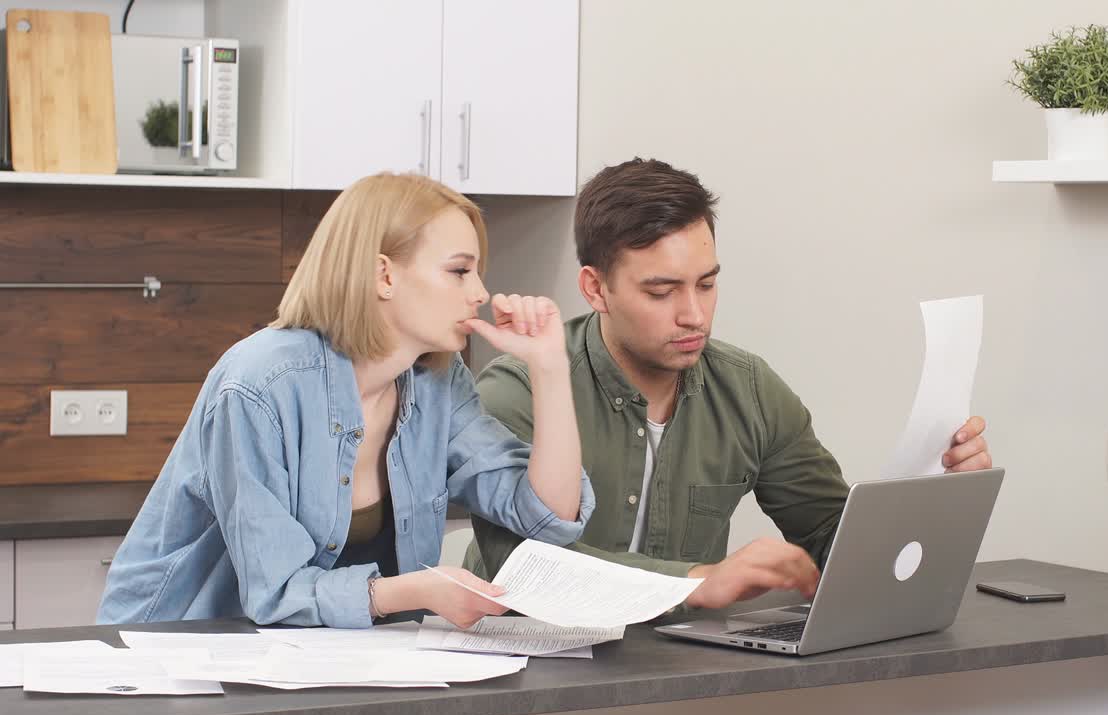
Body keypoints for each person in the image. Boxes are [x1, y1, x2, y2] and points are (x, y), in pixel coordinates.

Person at [464, 158, 991, 609]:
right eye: (662, 291)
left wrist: (935, 494)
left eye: (707, 284)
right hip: (521, 667)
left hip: (681, 673)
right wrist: (696, 583)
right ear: (595, 288)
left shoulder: (749, 390)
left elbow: (833, 538)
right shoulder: (522, 389)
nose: (694, 314)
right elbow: (525, 564)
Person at [98, 172, 593, 629]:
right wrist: (415, 590)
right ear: (384, 276)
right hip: (175, 655)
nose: (481, 292)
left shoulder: (437, 382)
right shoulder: (259, 385)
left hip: (325, 658)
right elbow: (277, 595)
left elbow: (546, 517)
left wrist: (549, 368)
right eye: (460, 271)